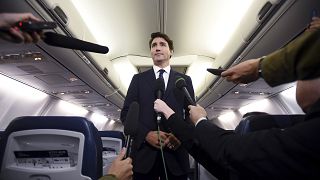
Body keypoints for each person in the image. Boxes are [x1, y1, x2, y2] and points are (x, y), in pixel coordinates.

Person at [153, 27, 320, 179]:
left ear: (171, 51)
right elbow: (225, 164)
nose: (299, 80)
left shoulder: (309, 136)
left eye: (304, 73)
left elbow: (228, 151)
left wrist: (197, 120)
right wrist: (260, 68)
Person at [120, 32, 195, 180]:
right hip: (144, 157)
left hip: (176, 155)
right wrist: (146, 135)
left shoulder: (184, 80)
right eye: (154, 45)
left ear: (171, 51)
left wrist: (180, 135)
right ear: (151, 52)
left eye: (162, 44)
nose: (157, 48)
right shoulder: (138, 79)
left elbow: (191, 114)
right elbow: (126, 114)